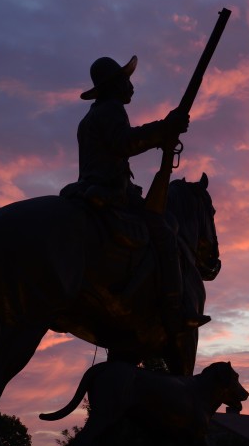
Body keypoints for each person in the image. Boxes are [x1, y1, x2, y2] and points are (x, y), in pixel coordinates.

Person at [63, 55, 210, 333]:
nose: (131, 86)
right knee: (165, 233)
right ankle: (174, 308)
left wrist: (164, 132)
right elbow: (125, 142)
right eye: (125, 80)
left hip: (93, 188)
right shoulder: (111, 110)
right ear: (115, 85)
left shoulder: (92, 115)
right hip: (110, 192)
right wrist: (165, 127)